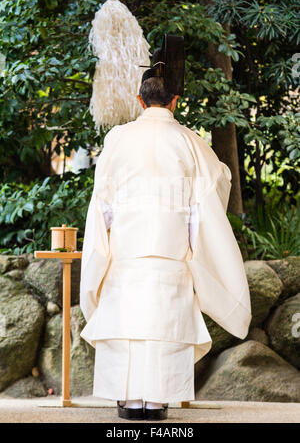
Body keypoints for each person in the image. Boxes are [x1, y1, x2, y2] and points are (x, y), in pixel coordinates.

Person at [79, 63, 252, 421]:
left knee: (127, 323)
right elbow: (208, 197)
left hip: (126, 250)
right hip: (171, 252)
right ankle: (157, 402)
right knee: (164, 324)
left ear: (140, 100)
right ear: (174, 101)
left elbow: (104, 204)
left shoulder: (118, 139)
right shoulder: (190, 142)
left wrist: (105, 248)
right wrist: (194, 247)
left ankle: (128, 401)